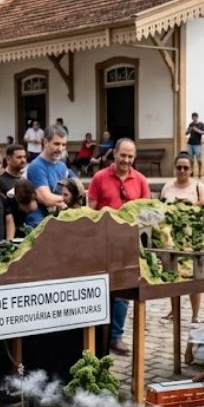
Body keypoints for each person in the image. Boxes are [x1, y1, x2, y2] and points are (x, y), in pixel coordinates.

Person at [88, 138, 150, 355]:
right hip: (104, 244)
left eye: (130, 156)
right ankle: (99, 337)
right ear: (114, 154)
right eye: (122, 155)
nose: (126, 160)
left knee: (124, 292)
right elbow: (91, 211)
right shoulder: (99, 178)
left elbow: (147, 213)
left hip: (128, 246)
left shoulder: (140, 180)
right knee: (103, 291)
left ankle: (116, 336)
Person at [161, 152, 204, 326]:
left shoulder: (199, 187)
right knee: (173, 275)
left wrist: (187, 206)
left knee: (194, 276)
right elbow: (161, 207)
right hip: (172, 238)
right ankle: (174, 310)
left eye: (186, 168)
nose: (182, 171)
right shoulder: (167, 186)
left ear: (191, 170)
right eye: (179, 167)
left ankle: (195, 314)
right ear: (174, 168)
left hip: (193, 237)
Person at [25, 125, 76, 230]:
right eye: (57, 144)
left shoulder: (62, 166)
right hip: (39, 223)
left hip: (57, 220)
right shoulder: (36, 166)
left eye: (64, 144)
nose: (61, 149)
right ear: (45, 142)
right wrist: (71, 198)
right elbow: (46, 198)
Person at [185, 113, 204, 177]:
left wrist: (196, 130)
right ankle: (191, 172)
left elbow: (203, 132)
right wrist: (189, 130)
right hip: (190, 143)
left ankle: (200, 172)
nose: (194, 118)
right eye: (193, 117)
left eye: (195, 117)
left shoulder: (201, 124)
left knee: (199, 159)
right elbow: (186, 133)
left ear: (197, 117)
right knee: (190, 159)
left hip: (197, 144)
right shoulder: (191, 124)